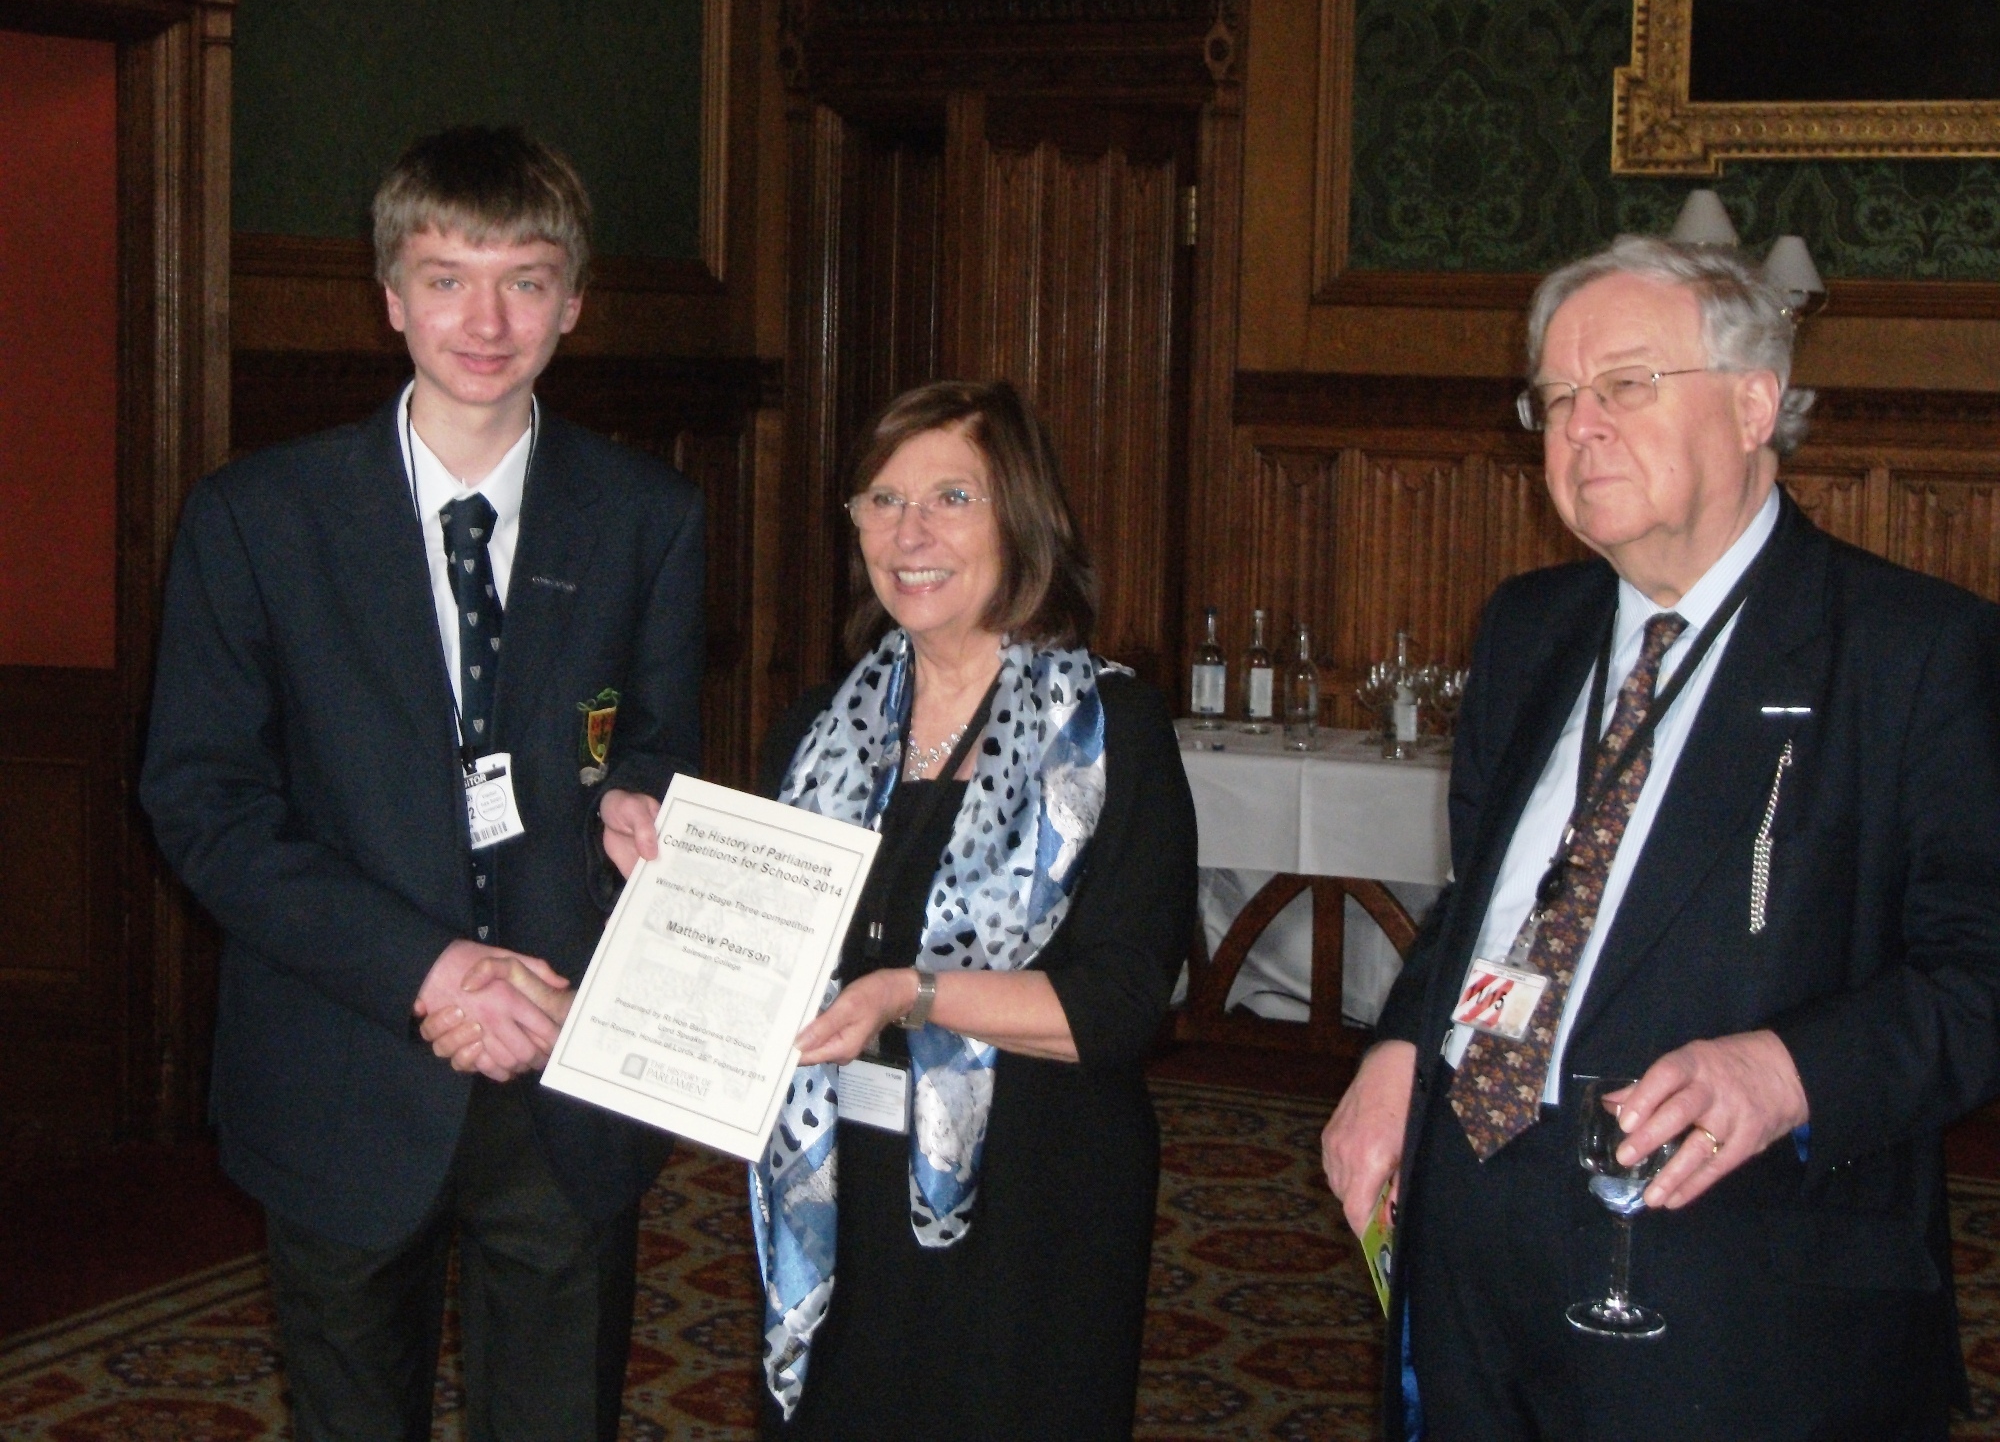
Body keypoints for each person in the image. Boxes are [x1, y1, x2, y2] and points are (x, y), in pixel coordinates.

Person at [1319, 235, 2000, 1440]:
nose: (1578, 426)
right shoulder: (1530, 628)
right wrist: (1397, 1050)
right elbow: (1489, 909)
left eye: (1624, 384)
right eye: (1555, 396)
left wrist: (1787, 1070)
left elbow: (1979, 976)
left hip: (1740, 1305)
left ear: (1752, 406)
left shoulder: (1912, 653)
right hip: (1475, 1260)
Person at [140, 125, 704, 1442]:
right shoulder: (256, 519)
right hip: (344, 1064)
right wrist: (436, 971)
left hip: (569, 1068)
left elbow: (657, 741)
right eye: (448, 277)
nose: (487, 319)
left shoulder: (648, 516)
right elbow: (204, 805)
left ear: (573, 302)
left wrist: (637, 799)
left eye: (524, 278)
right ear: (390, 296)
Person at [739, 378, 1196, 1439]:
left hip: (1034, 1202)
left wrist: (917, 993)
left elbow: (1123, 1005)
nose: (910, 533)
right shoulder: (817, 733)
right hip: (840, 1187)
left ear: (1021, 521)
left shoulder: (1107, 732)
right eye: (880, 501)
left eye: (952, 497)